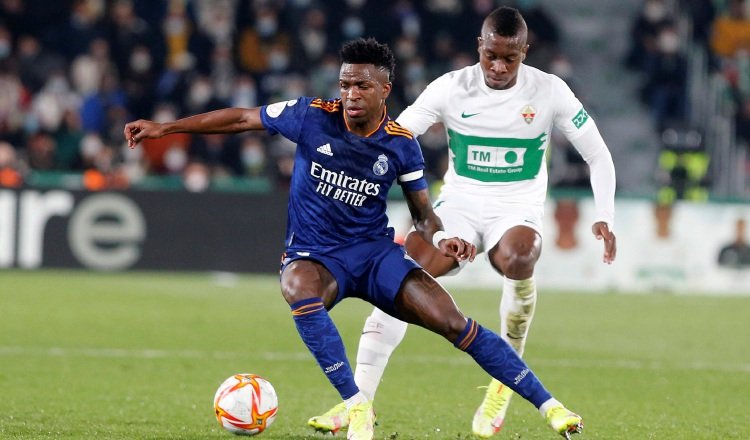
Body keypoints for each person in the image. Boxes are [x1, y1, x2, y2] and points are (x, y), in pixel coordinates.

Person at [124, 38, 583, 440]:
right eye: (344, 85)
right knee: (298, 289)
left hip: (374, 255)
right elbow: (243, 118)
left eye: (361, 86)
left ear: (384, 89)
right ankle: (358, 404)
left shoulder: (402, 144)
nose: (349, 94)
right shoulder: (309, 116)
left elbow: (424, 216)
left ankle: (550, 406)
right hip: (317, 255)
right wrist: (167, 127)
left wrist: (445, 240)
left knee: (453, 322)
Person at [310, 8, 616, 439]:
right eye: (491, 55)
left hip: (516, 207)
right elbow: (399, 133)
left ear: (524, 52)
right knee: (402, 274)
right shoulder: (452, 87)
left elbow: (598, 154)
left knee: (518, 257)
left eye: (510, 58)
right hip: (459, 204)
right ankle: (357, 401)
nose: (498, 66)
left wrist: (605, 214)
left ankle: (503, 384)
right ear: (480, 46)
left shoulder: (550, 91)